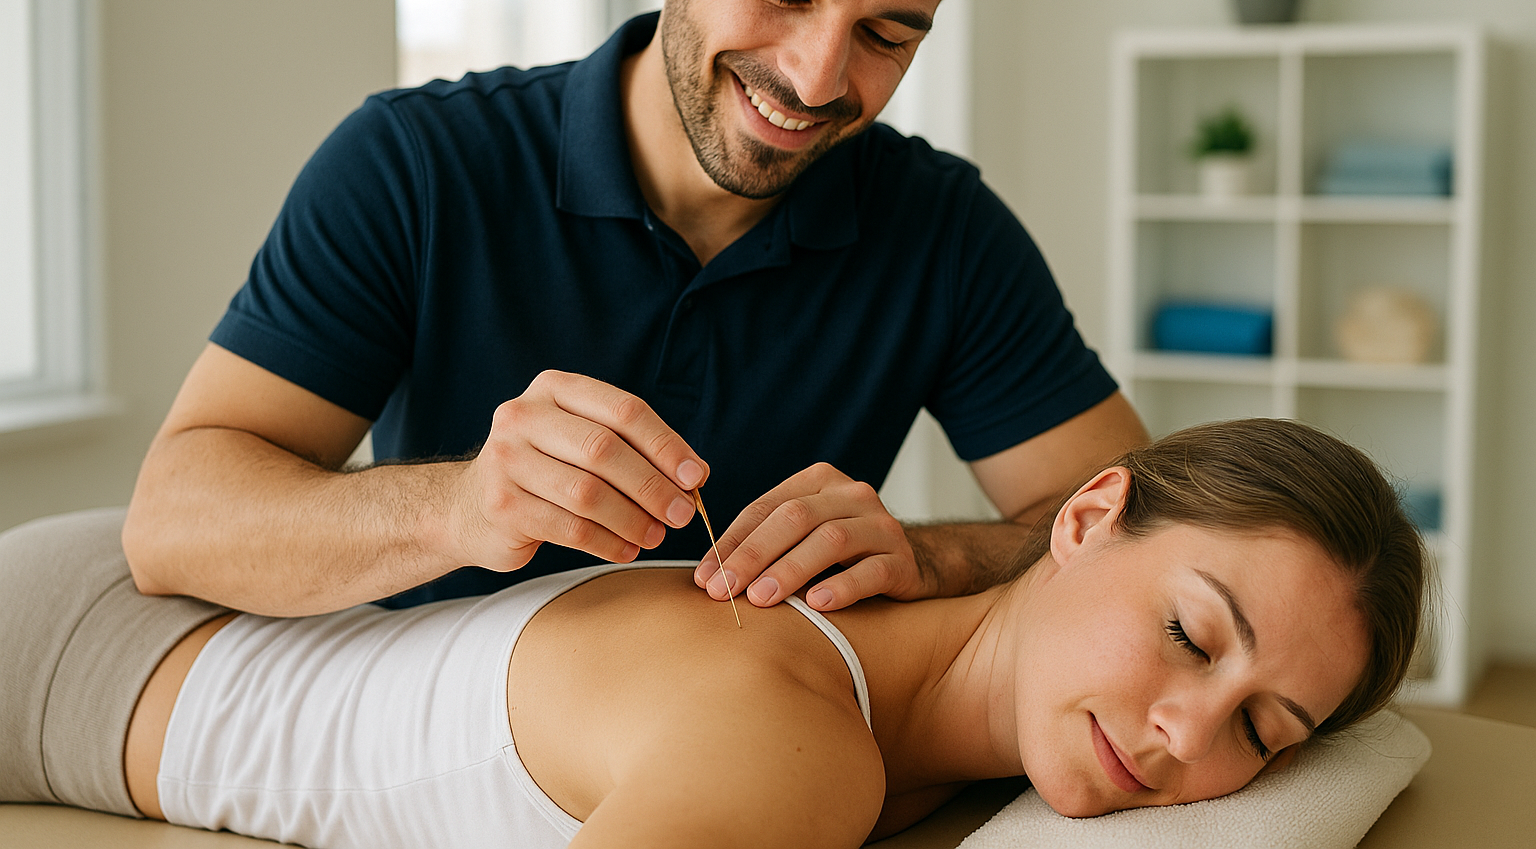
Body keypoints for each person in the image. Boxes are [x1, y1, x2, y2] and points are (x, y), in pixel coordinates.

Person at [122, 0, 1148, 620]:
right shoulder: (417, 165)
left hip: (741, 743)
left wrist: (932, 556)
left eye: (886, 35)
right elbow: (173, 521)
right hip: (426, 755)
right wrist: (459, 507)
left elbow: (1141, 527)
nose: (815, 77)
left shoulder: (946, 232)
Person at [4, 419, 1424, 847]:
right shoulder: (793, 745)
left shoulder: (889, 678)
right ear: (1085, 514)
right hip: (76, 651)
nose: (1189, 733)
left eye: (1263, 728)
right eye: (1190, 633)